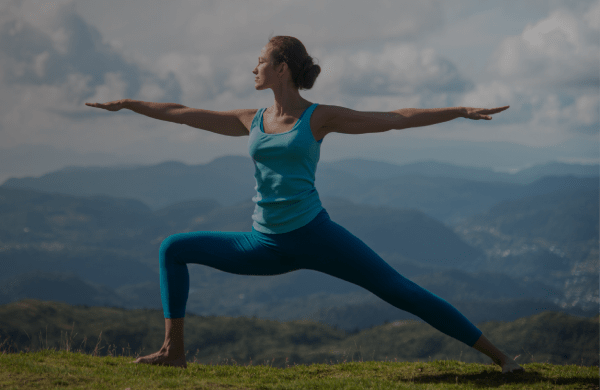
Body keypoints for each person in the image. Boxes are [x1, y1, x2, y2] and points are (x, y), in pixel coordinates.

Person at [86, 35, 523, 374]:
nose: (252, 67)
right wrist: (128, 105)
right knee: (172, 248)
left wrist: (459, 109)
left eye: (259, 61)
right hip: (263, 243)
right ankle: (172, 353)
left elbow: (394, 119)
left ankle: (501, 357)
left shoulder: (319, 117)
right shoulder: (251, 120)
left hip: (317, 236)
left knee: (400, 291)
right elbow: (181, 111)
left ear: (281, 68)